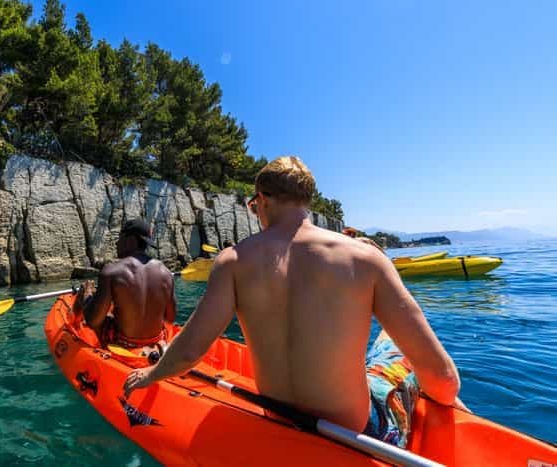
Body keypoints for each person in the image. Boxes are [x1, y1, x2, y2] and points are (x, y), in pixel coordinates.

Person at [124, 156, 463, 449]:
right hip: (355, 432)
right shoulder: (365, 258)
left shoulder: (232, 261)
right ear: (306, 200)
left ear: (262, 200)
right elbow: (443, 376)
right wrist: (447, 401)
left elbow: (188, 352)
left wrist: (150, 376)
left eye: (254, 207)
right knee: (396, 353)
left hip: (279, 418)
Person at [74, 218, 176, 354]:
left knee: (86, 296)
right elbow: (170, 318)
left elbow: (94, 321)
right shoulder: (166, 273)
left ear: (131, 240)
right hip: (156, 341)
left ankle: (73, 328)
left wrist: (87, 296)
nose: (117, 243)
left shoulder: (111, 271)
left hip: (122, 343)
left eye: (120, 237)